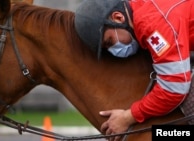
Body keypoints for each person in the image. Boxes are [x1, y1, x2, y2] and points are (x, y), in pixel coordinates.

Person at [74, 0, 194, 140]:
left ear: (118, 18)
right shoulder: (142, 8)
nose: (113, 51)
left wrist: (128, 117)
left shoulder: (151, 23)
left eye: (109, 42)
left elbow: (174, 88)